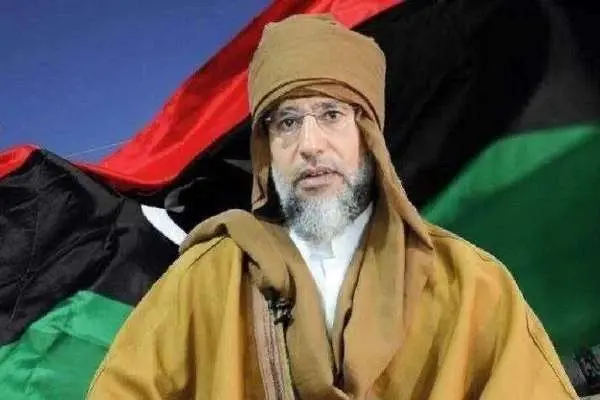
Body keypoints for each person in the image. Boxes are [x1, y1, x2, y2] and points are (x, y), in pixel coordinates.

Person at [87, 14, 577, 399]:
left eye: (331, 115)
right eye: (287, 123)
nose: (309, 145)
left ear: (368, 137)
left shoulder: (469, 283)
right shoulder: (205, 279)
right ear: (266, 150)